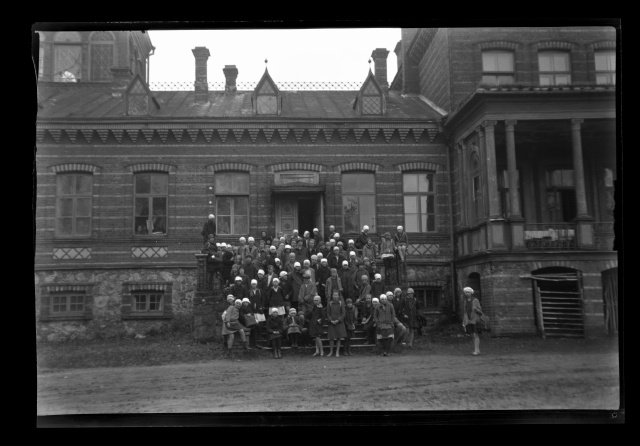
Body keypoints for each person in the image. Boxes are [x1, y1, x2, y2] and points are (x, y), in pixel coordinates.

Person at [462, 286, 483, 356]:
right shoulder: (465, 301)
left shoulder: (475, 300)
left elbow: (480, 310)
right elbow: (465, 311)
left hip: (475, 319)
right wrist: (464, 321)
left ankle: (476, 350)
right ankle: (477, 349)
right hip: (468, 320)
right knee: (472, 335)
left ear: (471, 292)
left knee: (475, 334)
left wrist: (476, 309)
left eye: (468, 292)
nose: (467, 293)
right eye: (465, 292)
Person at [326, 291, 346, 357]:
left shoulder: (341, 303)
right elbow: (328, 313)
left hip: (339, 323)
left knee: (338, 338)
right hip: (331, 322)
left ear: (338, 296)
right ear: (332, 296)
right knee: (331, 338)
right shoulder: (330, 303)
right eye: (334, 295)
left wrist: (338, 320)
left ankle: (337, 352)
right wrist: (331, 320)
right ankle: (331, 351)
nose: (335, 296)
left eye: (336, 295)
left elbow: (343, 314)